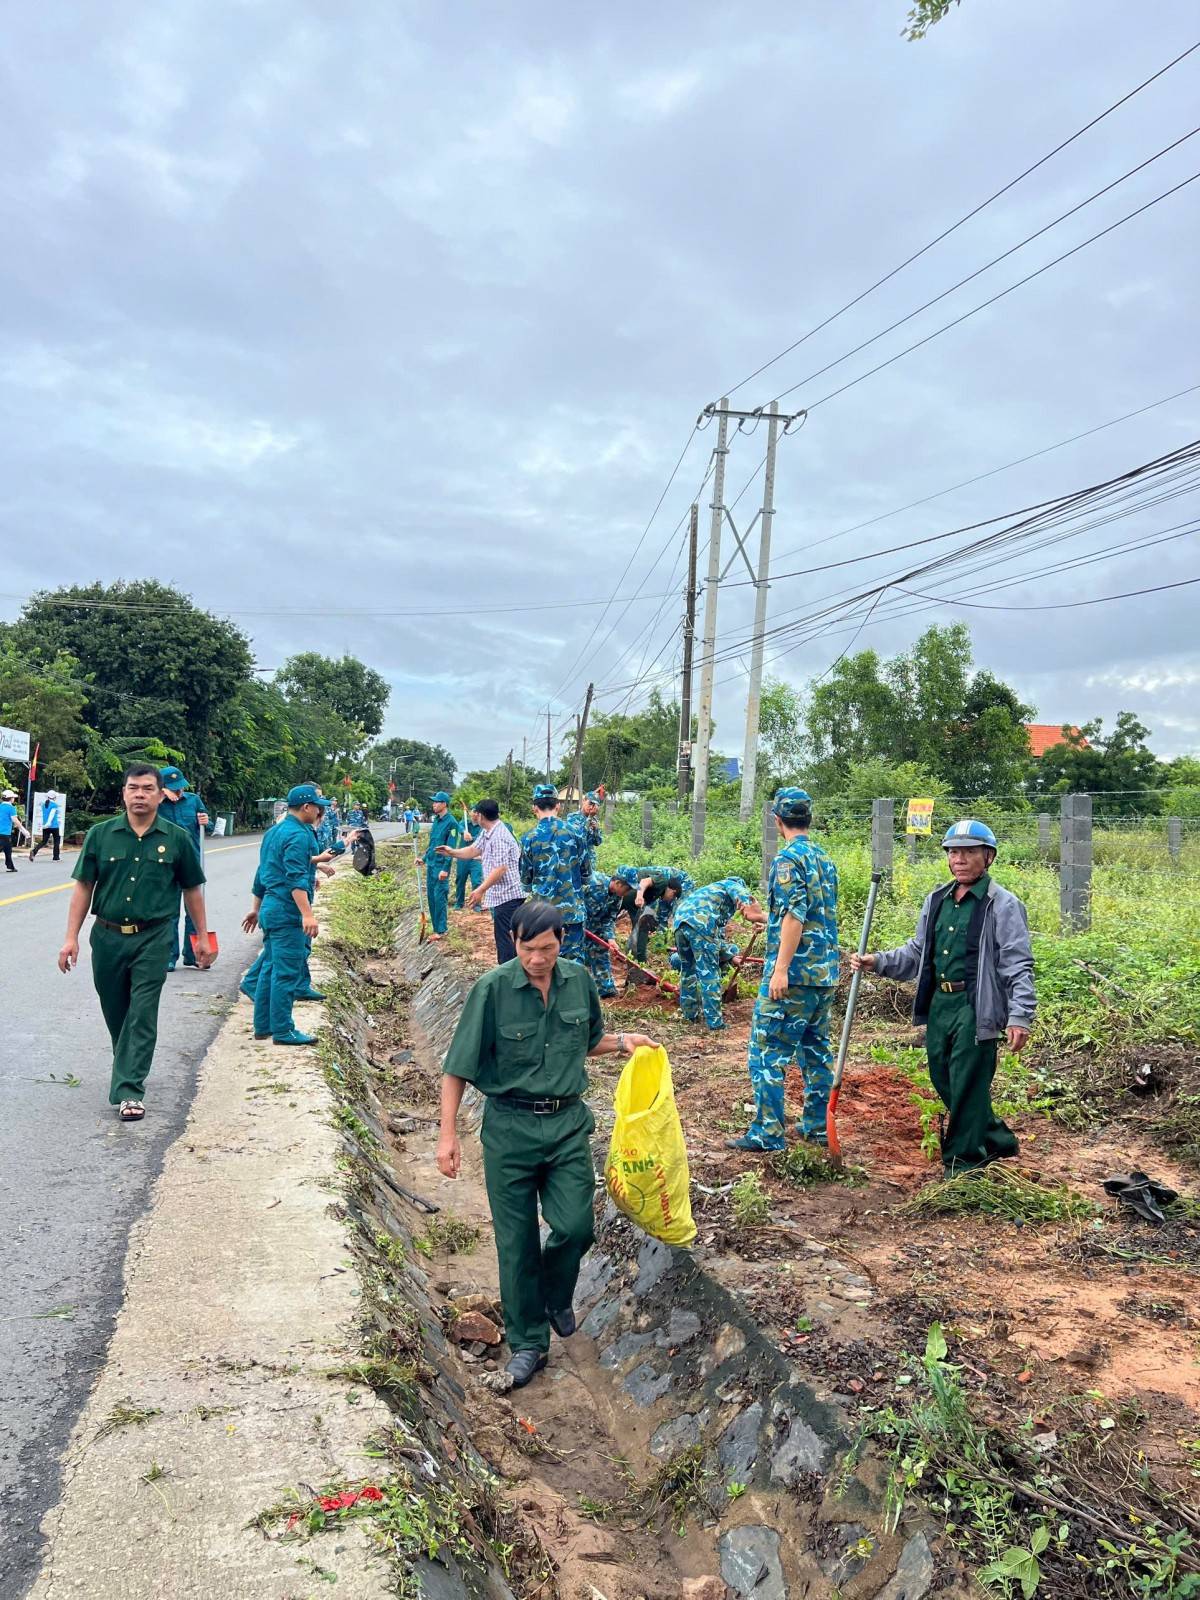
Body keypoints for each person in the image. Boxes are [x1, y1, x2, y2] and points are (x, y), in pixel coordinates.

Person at [437, 899, 657, 1388]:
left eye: (548, 948)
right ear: (514, 942)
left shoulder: (579, 981)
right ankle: (529, 1343)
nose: (538, 958)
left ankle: (557, 1293)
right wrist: (447, 1134)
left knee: (576, 1226)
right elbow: (457, 1067)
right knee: (515, 1244)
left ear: (562, 941)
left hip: (565, 1129)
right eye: (528, 948)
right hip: (509, 1132)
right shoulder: (491, 990)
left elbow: (586, 1040)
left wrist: (624, 1043)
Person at [851, 820, 1035, 1176]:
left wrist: (1019, 1015)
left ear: (988, 857)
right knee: (942, 1076)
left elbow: (1017, 963)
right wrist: (878, 961)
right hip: (940, 1004)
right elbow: (918, 952)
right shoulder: (937, 899)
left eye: (968, 852)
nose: (959, 859)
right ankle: (997, 1138)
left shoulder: (1003, 905)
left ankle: (964, 1163)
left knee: (968, 1079)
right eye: (953, 852)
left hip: (974, 1006)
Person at [57, 764, 214, 1121]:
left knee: (142, 1011)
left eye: (147, 788)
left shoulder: (176, 839)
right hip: (108, 937)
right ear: (123, 793)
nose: (140, 794)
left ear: (161, 794)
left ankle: (130, 1089)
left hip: (154, 936)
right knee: (117, 1012)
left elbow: (192, 890)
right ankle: (128, 1063)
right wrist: (71, 938)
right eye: (133, 788)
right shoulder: (100, 835)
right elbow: (83, 887)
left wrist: (201, 937)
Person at [728, 788, 840, 1153]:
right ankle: (816, 1128)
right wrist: (765, 918)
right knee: (816, 1053)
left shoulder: (789, 860)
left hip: (794, 977)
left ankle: (768, 1132)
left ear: (777, 820)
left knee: (766, 1052)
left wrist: (781, 970)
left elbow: (795, 917)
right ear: (808, 818)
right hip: (823, 976)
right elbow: (807, 915)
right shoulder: (824, 859)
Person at [252, 783, 326, 1046]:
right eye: (318, 807)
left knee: (270, 968)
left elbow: (262, 872)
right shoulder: (300, 834)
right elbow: (295, 879)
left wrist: (255, 908)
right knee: (285, 973)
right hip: (286, 910)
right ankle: (283, 1030)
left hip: (271, 907)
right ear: (306, 807)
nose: (319, 813)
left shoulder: (274, 832)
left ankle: (263, 1026)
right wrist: (307, 914)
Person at [673, 876, 767, 1031]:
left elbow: (716, 939)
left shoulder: (711, 897)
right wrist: (754, 914)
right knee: (709, 974)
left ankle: (690, 1015)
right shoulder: (731, 885)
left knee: (688, 970)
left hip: (680, 924)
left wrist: (730, 957)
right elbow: (743, 896)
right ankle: (715, 1023)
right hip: (700, 924)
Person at [437, 798, 524, 963]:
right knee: (504, 939)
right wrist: (452, 852)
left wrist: (480, 890)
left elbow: (500, 869)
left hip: (509, 897)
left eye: (475, 812)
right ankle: (510, 974)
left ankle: (509, 977)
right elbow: (473, 850)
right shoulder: (488, 832)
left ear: (481, 816)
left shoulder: (499, 836)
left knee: (506, 941)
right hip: (501, 896)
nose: (473, 815)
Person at [518, 785, 587, 962]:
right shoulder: (575, 833)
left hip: (543, 913)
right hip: (572, 910)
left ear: (534, 807)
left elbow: (526, 881)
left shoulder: (529, 838)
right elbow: (586, 873)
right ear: (558, 806)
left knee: (545, 961)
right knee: (573, 963)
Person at [157, 765, 210, 971]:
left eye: (179, 787)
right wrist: (161, 797)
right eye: (172, 787)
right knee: (170, 912)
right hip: (165, 864)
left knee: (193, 911)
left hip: (191, 863)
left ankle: (193, 953)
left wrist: (206, 821)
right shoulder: (156, 805)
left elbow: (209, 828)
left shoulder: (194, 801)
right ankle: (170, 956)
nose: (178, 791)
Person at [610, 864, 694, 974]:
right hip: (631, 895)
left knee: (635, 929)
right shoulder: (663, 880)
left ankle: (633, 959)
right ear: (672, 891)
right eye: (673, 897)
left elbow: (659, 917)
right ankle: (640, 965)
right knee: (642, 927)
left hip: (628, 897)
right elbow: (644, 882)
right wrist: (640, 896)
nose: (670, 901)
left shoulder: (657, 893)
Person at [420, 791, 461, 940]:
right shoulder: (436, 821)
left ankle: (442, 930)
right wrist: (423, 859)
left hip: (440, 867)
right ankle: (436, 928)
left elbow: (450, 848)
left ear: (444, 804)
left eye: (436, 802)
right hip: (431, 865)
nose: (434, 804)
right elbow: (433, 844)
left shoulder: (452, 823)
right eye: (434, 802)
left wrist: (445, 869)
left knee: (439, 898)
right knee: (431, 897)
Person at [581, 871, 625, 998]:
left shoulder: (618, 896)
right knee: (576, 958)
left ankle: (606, 989)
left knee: (601, 951)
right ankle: (577, 991)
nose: (627, 893)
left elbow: (609, 919)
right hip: (577, 926)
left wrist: (610, 938)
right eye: (627, 889)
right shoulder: (592, 884)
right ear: (617, 883)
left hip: (596, 928)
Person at [563, 790, 603, 885]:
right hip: (575, 859)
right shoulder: (572, 817)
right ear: (583, 801)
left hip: (589, 861)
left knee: (588, 888)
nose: (591, 807)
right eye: (590, 803)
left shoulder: (594, 820)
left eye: (595, 805)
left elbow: (597, 842)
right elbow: (579, 838)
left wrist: (596, 830)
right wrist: (588, 819)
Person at [453, 806, 485, 910]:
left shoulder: (482, 826)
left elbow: (482, 838)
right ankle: (459, 903)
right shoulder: (464, 823)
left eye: (478, 812)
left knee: (476, 881)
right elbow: (459, 827)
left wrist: (472, 838)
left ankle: (476, 904)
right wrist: (464, 833)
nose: (475, 814)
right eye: (474, 811)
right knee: (460, 880)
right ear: (470, 812)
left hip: (476, 858)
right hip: (463, 858)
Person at [0, 787, 30, 871]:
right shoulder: (11, 808)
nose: (14, 799)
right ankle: (10, 866)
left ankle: (10, 866)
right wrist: (24, 831)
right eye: (13, 797)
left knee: (8, 850)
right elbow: (15, 821)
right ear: (10, 799)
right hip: (4, 833)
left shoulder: (0, 806)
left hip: (3, 833)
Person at [30, 790, 63, 862]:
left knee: (44, 841)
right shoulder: (54, 805)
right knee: (57, 841)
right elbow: (51, 815)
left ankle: (34, 851)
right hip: (54, 826)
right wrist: (48, 823)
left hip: (45, 826)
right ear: (54, 797)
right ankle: (56, 858)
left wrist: (46, 825)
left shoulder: (44, 804)